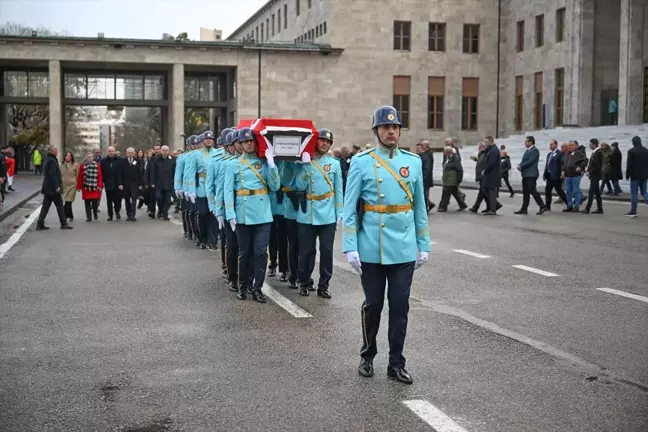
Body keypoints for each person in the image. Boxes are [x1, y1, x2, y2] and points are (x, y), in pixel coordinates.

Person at [342, 105, 431, 385]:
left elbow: (419, 207)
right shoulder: (361, 161)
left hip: (403, 246)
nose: (391, 131)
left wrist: (423, 242)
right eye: (385, 127)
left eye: (395, 127)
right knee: (374, 304)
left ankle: (396, 362)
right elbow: (349, 207)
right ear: (376, 131)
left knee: (400, 305)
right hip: (371, 245)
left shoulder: (413, 162)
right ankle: (367, 355)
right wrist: (350, 245)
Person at [224, 127, 280, 303]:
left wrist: (272, 165)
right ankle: (243, 285)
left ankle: (257, 287)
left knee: (261, 252)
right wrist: (230, 213)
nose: (248, 144)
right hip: (243, 212)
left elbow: (275, 186)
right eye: (245, 141)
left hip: (263, 213)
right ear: (240, 144)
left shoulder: (264, 163)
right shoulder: (232, 164)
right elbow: (227, 191)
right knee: (245, 252)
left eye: (251, 141)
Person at [293, 128, 344, 298]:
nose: (324, 143)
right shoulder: (305, 161)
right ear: (316, 141)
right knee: (306, 252)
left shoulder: (335, 164)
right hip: (307, 214)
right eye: (322, 140)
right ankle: (304, 281)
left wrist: (339, 213)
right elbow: (298, 186)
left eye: (328, 142)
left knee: (327, 251)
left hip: (328, 214)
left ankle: (324, 285)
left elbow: (338, 191)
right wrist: (305, 168)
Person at [35, 146, 72, 231]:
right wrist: (56, 187)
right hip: (53, 189)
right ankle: (63, 223)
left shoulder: (48, 159)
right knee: (59, 206)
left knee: (45, 206)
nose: (57, 152)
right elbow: (52, 175)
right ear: (52, 151)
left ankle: (40, 224)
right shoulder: (51, 160)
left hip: (48, 188)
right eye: (56, 150)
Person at [515, 136, 546, 215]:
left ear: (531, 142)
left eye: (526, 141)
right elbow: (524, 160)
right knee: (525, 192)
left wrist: (521, 166)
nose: (525, 143)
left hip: (531, 174)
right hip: (526, 174)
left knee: (532, 190)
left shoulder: (534, 150)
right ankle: (524, 208)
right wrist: (520, 165)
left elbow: (531, 161)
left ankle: (542, 206)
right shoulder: (528, 150)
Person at [437, 145, 466, 211]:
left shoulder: (455, 158)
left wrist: (458, 180)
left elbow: (459, 169)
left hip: (452, 178)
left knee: (446, 192)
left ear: (448, 152)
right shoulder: (449, 158)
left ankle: (444, 207)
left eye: (445, 152)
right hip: (448, 178)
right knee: (455, 192)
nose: (444, 153)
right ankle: (462, 205)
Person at [625, 136, 648, 217]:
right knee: (644, 192)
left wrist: (627, 175)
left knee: (634, 194)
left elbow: (629, 164)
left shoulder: (631, 151)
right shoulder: (646, 150)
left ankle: (633, 211)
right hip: (644, 175)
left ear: (633, 142)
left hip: (635, 176)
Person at [77, 151, 104, 221]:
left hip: (95, 187)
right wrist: (79, 187)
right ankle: (89, 217)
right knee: (87, 203)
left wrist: (100, 186)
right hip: (86, 187)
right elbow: (80, 176)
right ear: (86, 158)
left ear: (93, 158)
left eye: (91, 157)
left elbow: (100, 176)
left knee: (95, 203)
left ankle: (95, 212)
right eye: (89, 157)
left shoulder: (97, 165)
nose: (90, 158)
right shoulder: (82, 166)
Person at [151, 145, 175, 220]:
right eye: (163, 150)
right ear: (161, 151)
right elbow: (153, 172)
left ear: (168, 151)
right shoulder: (156, 160)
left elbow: (175, 172)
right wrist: (152, 182)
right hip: (159, 183)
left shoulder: (172, 160)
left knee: (167, 200)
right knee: (159, 198)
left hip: (169, 183)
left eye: (166, 150)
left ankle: (165, 214)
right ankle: (160, 210)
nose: (165, 152)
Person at [100, 146, 124, 221]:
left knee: (118, 200)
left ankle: (117, 211)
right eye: (109, 151)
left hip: (118, 184)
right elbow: (101, 173)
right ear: (107, 152)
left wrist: (121, 183)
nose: (111, 152)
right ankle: (110, 215)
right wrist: (102, 183)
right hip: (108, 184)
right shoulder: (103, 161)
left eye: (112, 151)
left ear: (115, 151)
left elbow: (122, 173)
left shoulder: (120, 160)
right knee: (109, 201)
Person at [561, 141, 587, 212]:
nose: (570, 147)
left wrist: (580, 167)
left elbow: (585, 161)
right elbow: (564, 164)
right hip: (567, 176)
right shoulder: (566, 154)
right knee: (568, 191)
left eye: (572, 145)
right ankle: (569, 206)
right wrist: (563, 170)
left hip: (575, 175)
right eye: (569, 145)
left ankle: (577, 206)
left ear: (576, 146)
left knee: (576, 191)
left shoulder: (579, 153)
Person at [543, 140, 567, 211]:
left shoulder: (560, 153)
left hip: (557, 176)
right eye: (550, 144)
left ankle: (569, 204)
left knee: (559, 191)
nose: (550, 146)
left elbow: (563, 163)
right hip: (549, 176)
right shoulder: (549, 154)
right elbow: (547, 165)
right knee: (547, 190)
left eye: (552, 144)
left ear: (556, 145)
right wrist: (545, 174)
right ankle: (547, 206)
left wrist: (563, 172)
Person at [581, 138, 604, 214]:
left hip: (595, 175)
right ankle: (600, 208)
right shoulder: (595, 152)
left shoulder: (598, 152)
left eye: (590, 144)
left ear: (594, 144)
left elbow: (597, 166)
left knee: (591, 192)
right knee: (597, 192)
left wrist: (589, 172)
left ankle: (587, 208)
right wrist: (588, 170)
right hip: (594, 175)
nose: (589, 145)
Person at [123, 147, 144, 221]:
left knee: (134, 199)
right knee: (127, 200)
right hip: (125, 184)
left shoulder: (137, 161)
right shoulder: (123, 161)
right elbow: (120, 173)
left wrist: (141, 184)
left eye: (132, 153)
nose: (131, 154)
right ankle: (128, 214)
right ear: (126, 153)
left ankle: (133, 215)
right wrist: (120, 184)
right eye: (129, 153)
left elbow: (140, 173)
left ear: (134, 153)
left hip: (134, 184)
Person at [60, 151, 79, 222]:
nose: (68, 157)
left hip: (72, 185)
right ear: (64, 157)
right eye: (67, 156)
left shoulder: (76, 165)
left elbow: (78, 175)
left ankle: (64, 216)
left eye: (70, 156)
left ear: (72, 157)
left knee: (69, 201)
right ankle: (70, 215)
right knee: (66, 201)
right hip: (64, 186)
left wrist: (78, 186)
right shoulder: (61, 165)